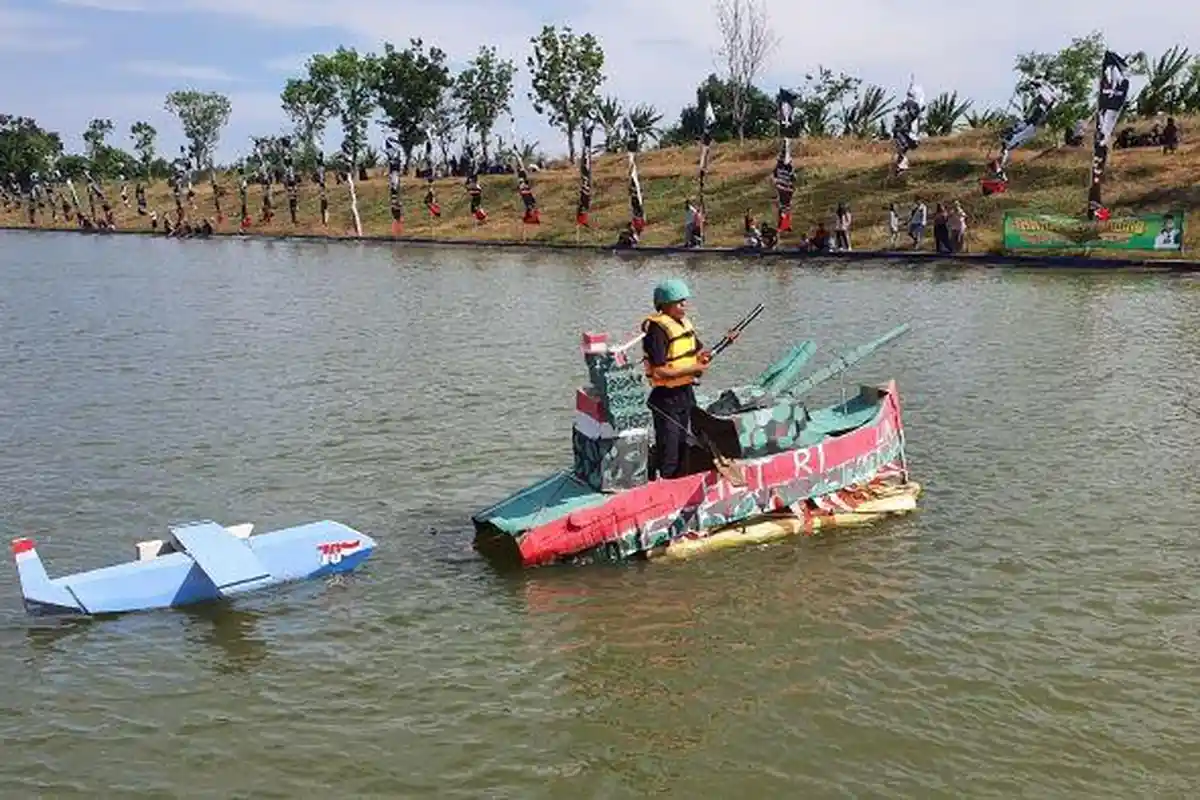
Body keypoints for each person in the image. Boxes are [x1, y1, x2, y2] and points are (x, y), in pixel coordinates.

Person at [641, 279, 730, 480]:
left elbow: (697, 353)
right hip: (666, 398)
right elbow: (660, 372)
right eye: (679, 303)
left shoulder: (684, 325)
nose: (684, 306)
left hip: (685, 394)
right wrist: (694, 368)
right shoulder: (657, 331)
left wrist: (724, 343)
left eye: (684, 301)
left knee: (686, 443)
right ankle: (666, 484)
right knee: (669, 447)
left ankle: (681, 480)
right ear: (664, 305)